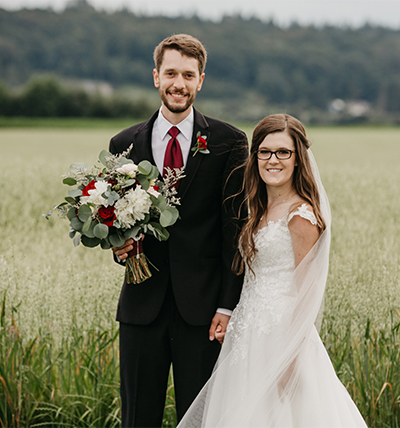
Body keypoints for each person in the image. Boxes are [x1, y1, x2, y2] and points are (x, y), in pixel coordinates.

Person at [177, 114, 367, 427]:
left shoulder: (301, 215)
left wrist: (289, 360)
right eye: (264, 151)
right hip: (247, 335)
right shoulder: (260, 210)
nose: (272, 160)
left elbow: (307, 292)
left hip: (281, 339)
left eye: (283, 152)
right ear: (255, 157)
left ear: (298, 159)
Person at [109, 34, 248, 427]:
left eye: (188, 75)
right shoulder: (124, 144)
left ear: (201, 80)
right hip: (141, 308)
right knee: (138, 417)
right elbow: (114, 217)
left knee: (202, 418)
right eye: (171, 73)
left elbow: (235, 231)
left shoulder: (229, 142)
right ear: (156, 77)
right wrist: (119, 245)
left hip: (203, 313)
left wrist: (226, 305)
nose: (179, 83)